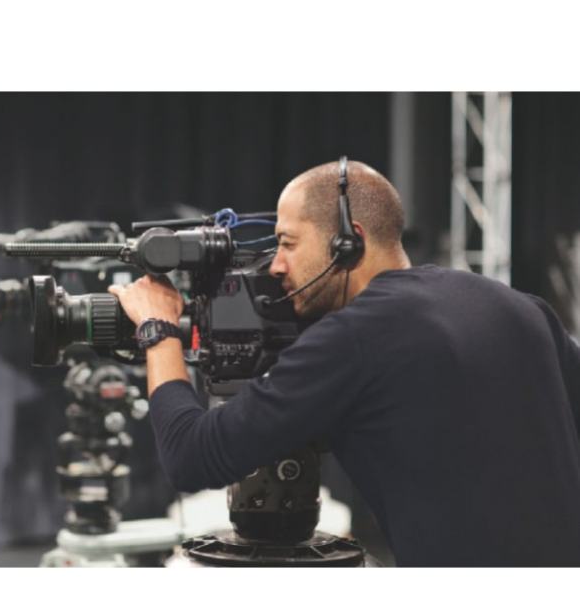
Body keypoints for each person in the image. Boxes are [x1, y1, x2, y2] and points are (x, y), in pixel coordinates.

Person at [108, 158, 580, 567]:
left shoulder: (356, 337)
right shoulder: (521, 307)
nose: (275, 265)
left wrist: (158, 329)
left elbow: (192, 457)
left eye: (288, 243)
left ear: (348, 243)